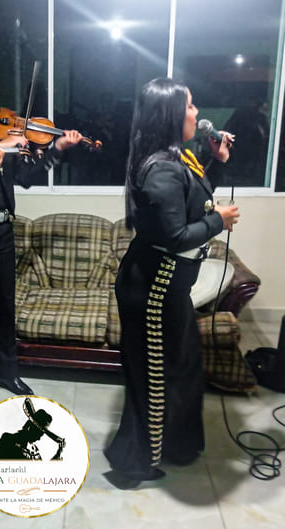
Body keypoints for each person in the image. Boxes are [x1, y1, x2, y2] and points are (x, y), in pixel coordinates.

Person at [103, 78, 240, 487]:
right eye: (191, 106)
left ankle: (177, 446)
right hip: (152, 289)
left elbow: (190, 200)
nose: (198, 114)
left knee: (184, 366)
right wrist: (220, 221)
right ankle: (134, 464)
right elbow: (176, 235)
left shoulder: (177, 158)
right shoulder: (161, 169)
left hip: (167, 286)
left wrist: (214, 161)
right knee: (155, 375)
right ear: (170, 115)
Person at [0, 55, 83, 403]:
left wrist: (56, 149)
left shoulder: (8, 129)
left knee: (6, 306)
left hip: (3, 231)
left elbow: (25, 178)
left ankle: (9, 373)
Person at [0, 398, 64, 460]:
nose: (39, 438)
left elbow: (41, 473)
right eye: (39, 433)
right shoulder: (8, 440)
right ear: (29, 427)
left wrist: (58, 454)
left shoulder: (35, 451)